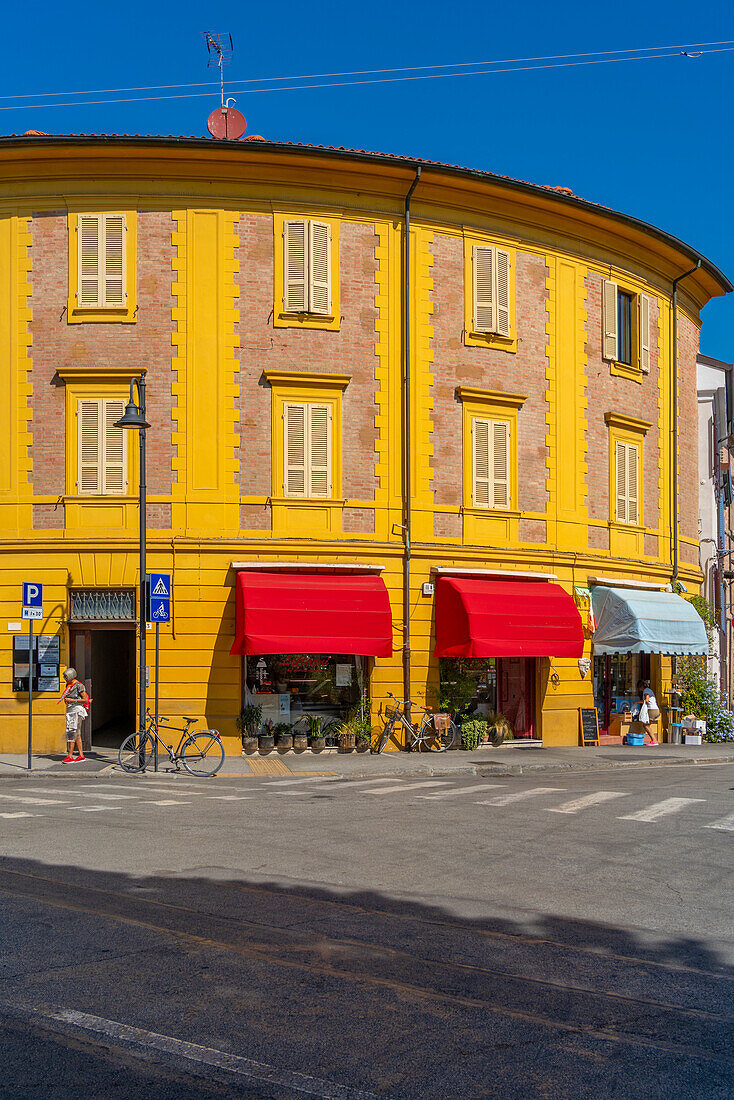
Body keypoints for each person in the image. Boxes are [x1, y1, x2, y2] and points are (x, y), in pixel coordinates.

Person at [60, 668, 90, 763]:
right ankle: (81, 755)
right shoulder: (69, 685)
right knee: (77, 734)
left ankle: (70, 756)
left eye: (66, 676)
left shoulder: (79, 686)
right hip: (71, 710)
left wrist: (72, 700)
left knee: (72, 733)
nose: (65, 678)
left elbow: (85, 699)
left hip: (76, 710)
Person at [640, 680, 660, 745]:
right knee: (648, 725)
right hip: (656, 709)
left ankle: (654, 740)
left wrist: (637, 702)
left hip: (651, 709)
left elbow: (646, 700)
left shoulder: (646, 691)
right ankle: (653, 740)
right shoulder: (649, 690)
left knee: (646, 726)